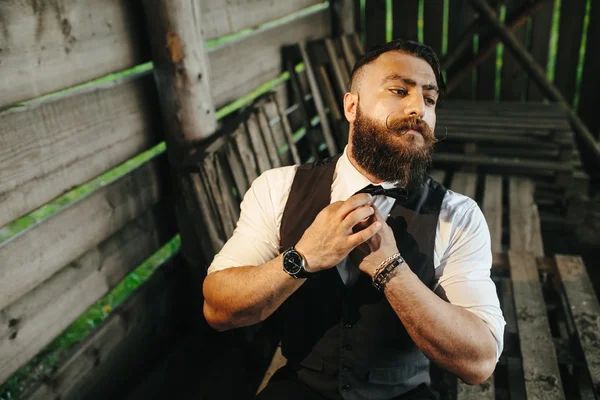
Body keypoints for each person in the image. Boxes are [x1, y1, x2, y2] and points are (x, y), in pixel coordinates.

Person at [202, 39, 505, 400]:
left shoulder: (457, 216)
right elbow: (217, 308)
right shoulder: (279, 188)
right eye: (399, 90)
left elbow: (480, 361)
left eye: (429, 98)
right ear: (351, 105)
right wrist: (301, 259)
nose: (418, 109)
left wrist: (392, 271)